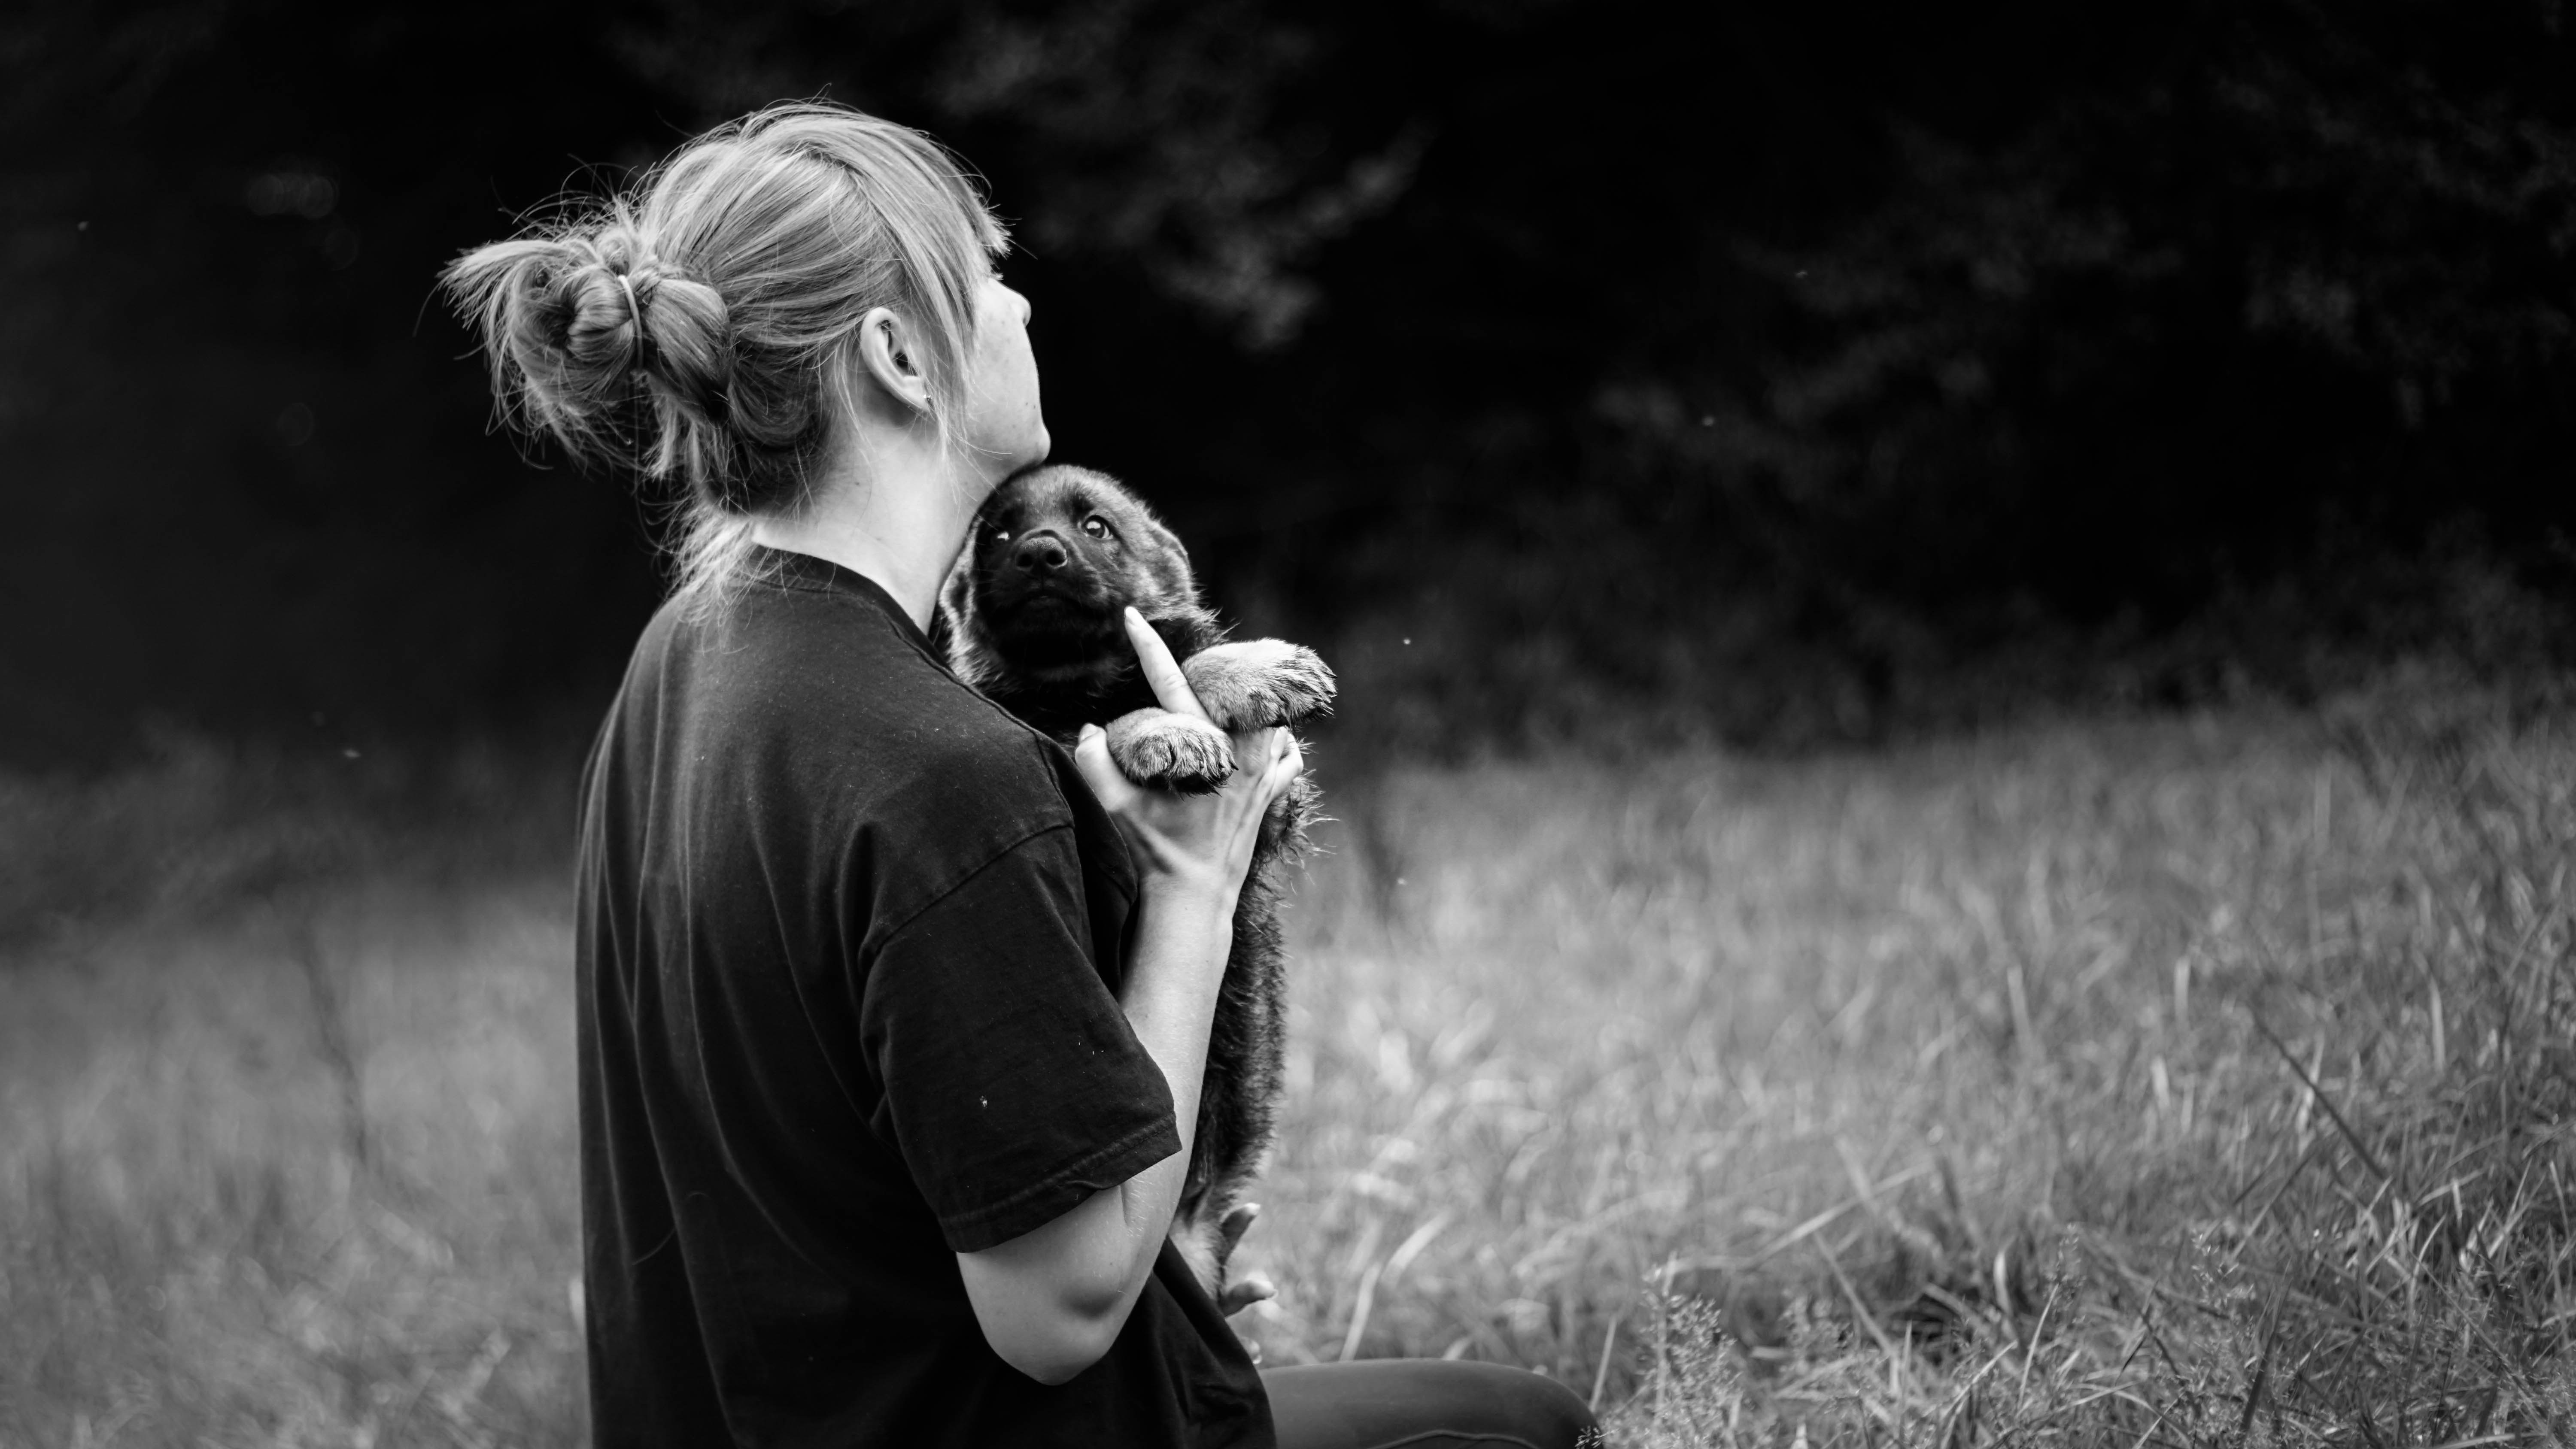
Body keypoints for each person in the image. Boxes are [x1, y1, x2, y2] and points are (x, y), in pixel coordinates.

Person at [444, 101, 1597, 1449]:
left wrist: (1174, 1274)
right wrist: (1193, 883)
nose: (1022, 306)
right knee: (1531, 1433)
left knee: (1494, 1403)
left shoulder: (682, 666)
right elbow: (1061, 1312)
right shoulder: (942, 772)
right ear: (900, 357)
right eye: (991, 279)